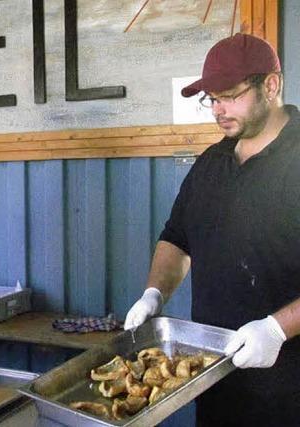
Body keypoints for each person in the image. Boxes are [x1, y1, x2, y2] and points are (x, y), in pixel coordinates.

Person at [124, 33, 300, 426]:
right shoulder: (210, 163)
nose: (218, 110)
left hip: (290, 393)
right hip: (217, 382)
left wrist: (276, 329)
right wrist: (154, 294)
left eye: (229, 96)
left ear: (270, 85)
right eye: (212, 99)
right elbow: (176, 238)